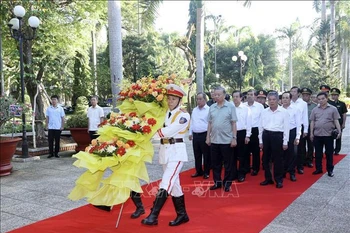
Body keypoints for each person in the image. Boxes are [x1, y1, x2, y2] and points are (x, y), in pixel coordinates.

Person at [141, 84, 190, 227]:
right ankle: (182, 215)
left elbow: (168, 131)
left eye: (174, 99)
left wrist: (148, 133)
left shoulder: (183, 115)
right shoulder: (164, 113)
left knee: (166, 182)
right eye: (169, 98)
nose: (170, 102)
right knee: (175, 185)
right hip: (165, 151)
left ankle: (153, 215)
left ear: (180, 100)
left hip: (176, 152)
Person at [206, 86, 238, 192]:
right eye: (215, 94)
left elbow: (234, 123)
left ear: (224, 95)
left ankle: (227, 183)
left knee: (228, 164)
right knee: (215, 163)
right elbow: (210, 123)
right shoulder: (212, 107)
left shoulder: (230, 107)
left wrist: (234, 138)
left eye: (219, 94)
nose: (216, 96)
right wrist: (208, 137)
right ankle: (217, 182)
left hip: (226, 140)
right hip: (214, 140)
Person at [259, 91, 289, 189]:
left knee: (278, 159)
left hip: (277, 136)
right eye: (270, 99)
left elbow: (286, 128)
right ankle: (268, 178)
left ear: (278, 100)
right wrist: (260, 141)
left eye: (274, 99)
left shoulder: (284, 112)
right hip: (266, 135)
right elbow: (260, 127)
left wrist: (285, 141)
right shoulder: (264, 111)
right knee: (265, 159)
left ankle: (279, 180)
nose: (271, 102)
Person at [310, 92, 341, 177]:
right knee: (318, 154)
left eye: (323, 99)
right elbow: (312, 121)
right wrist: (311, 133)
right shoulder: (315, 110)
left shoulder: (333, 109)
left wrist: (339, 131)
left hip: (328, 135)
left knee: (329, 153)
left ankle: (330, 170)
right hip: (317, 135)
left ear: (327, 98)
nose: (321, 101)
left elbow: (336, 120)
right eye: (319, 99)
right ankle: (318, 169)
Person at [189, 92, 210, 179]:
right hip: (196, 134)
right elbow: (192, 121)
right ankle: (198, 170)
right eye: (197, 99)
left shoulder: (209, 110)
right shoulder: (194, 110)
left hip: (204, 134)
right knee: (197, 154)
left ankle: (206, 172)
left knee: (206, 154)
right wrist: (190, 133)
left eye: (200, 99)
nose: (198, 101)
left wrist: (209, 136)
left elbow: (210, 123)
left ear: (205, 100)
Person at [232, 90, 252, 182]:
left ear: (241, 98)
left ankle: (241, 173)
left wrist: (248, 135)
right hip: (232, 133)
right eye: (234, 97)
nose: (235, 98)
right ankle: (233, 173)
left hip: (242, 133)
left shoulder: (246, 109)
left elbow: (249, 123)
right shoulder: (230, 108)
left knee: (242, 155)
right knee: (232, 155)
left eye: (237, 97)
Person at [281, 92, 301, 182]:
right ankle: (283, 170)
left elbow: (298, 124)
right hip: (281, 132)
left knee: (292, 153)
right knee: (282, 153)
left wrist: (298, 136)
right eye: (283, 98)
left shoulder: (295, 109)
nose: (285, 99)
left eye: (286, 98)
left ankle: (292, 172)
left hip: (292, 132)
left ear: (290, 99)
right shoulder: (279, 109)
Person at [244, 89, 264, 176]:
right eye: (248, 94)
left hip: (256, 130)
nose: (249, 96)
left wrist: (261, 134)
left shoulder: (260, 106)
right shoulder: (243, 106)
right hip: (245, 130)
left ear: (255, 96)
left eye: (251, 94)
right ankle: (247, 167)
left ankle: (256, 168)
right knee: (245, 150)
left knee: (256, 150)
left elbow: (261, 120)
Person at [290, 86, 308, 175]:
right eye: (291, 91)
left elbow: (305, 117)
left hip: (300, 127)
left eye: (294, 91)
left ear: (298, 93)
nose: (292, 93)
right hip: (290, 128)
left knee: (300, 148)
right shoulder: (287, 102)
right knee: (291, 149)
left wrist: (306, 130)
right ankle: (290, 166)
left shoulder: (303, 103)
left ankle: (300, 166)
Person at [328, 88, 348, 155]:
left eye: (335, 95)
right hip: (330, 123)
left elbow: (344, 114)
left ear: (338, 95)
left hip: (339, 123)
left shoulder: (342, 104)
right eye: (332, 95)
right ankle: (330, 149)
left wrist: (344, 123)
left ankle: (337, 150)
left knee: (338, 137)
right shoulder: (328, 103)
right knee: (329, 137)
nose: (334, 96)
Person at [301, 88, 317, 167]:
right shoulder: (299, 105)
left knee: (310, 144)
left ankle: (310, 160)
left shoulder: (314, 106)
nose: (305, 97)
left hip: (311, 126)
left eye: (307, 95)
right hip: (302, 127)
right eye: (303, 95)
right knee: (302, 144)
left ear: (310, 96)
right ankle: (303, 159)